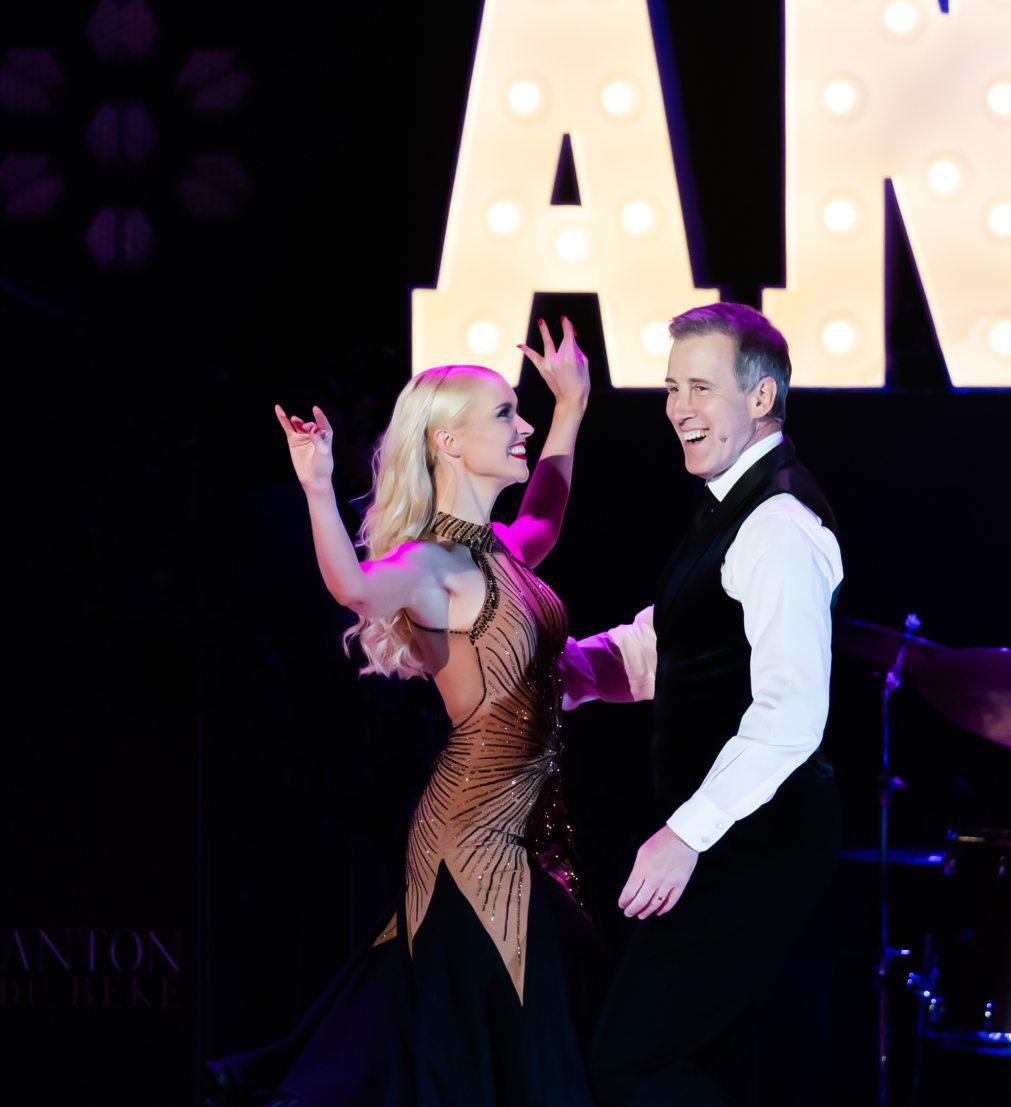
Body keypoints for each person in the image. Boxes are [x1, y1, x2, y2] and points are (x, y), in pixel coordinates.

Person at [206, 319, 600, 1106]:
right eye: (504, 415)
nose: (521, 426)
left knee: (514, 1047)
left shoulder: (499, 550)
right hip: (475, 831)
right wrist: (318, 484)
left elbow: (548, 515)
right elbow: (354, 588)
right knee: (491, 1054)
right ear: (449, 443)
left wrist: (572, 406)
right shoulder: (431, 561)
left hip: (527, 824)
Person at [559, 302, 844, 1106]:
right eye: (671, 387)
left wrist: (684, 833)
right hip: (730, 835)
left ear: (759, 398)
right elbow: (676, 644)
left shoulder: (780, 523)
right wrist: (574, 671)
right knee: (679, 1061)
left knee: (634, 1060)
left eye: (700, 387)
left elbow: (792, 712)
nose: (678, 408)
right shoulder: (728, 508)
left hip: (759, 839)